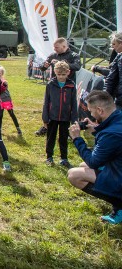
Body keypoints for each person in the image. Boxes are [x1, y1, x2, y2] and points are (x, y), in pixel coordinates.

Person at [68, 90, 122, 224]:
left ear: (100, 110)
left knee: (74, 175)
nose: (90, 114)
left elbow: (93, 162)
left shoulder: (110, 134)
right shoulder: (118, 118)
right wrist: (97, 129)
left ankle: (119, 204)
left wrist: (77, 139)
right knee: (82, 166)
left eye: (91, 111)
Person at [42, 61, 77, 167]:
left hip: (65, 117)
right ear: (55, 73)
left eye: (63, 74)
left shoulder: (71, 85)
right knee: (50, 137)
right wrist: (45, 117)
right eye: (58, 74)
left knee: (63, 138)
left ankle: (64, 158)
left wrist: (74, 119)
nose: (61, 77)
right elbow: (46, 101)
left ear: (68, 72)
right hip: (52, 116)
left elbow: (74, 103)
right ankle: (49, 157)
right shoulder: (50, 85)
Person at [0, 66, 22, 135]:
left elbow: (2, 89)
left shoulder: (4, 81)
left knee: (11, 114)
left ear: (2, 74)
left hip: (6, 99)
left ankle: (18, 128)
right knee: (0, 115)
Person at [104, 32, 122, 111]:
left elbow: (111, 79)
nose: (112, 47)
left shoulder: (119, 57)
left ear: (121, 43)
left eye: (114, 44)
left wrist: (104, 99)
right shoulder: (119, 57)